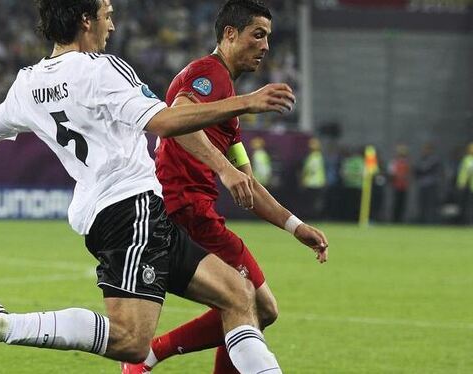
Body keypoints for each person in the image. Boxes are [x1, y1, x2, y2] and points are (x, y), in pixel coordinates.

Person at [0, 1, 302, 373]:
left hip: (124, 215)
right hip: (131, 209)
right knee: (130, 341)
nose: (111, 26)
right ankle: (0, 324)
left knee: (239, 295)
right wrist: (246, 103)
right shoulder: (102, 70)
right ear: (85, 20)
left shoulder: (27, 84)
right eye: (107, 16)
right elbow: (166, 121)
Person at [122, 1, 328, 373]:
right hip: (185, 209)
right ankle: (150, 354)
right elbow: (176, 116)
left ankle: (149, 356)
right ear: (230, 34)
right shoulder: (209, 73)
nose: (265, 46)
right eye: (258, 34)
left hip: (192, 211)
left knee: (244, 305)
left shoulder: (227, 107)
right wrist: (223, 170)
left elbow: (248, 184)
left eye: (269, 37)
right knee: (258, 307)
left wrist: (295, 227)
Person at [456, 142, 473, 225]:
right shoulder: (470, 159)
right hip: (470, 187)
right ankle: (469, 223)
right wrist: (464, 183)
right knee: (470, 207)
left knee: (469, 206)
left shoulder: (470, 159)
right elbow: (469, 172)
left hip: (471, 186)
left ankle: (469, 222)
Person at [414, 142, 441, 223]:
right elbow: (416, 170)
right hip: (423, 185)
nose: (424, 151)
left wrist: (419, 169)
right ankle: (422, 220)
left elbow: (423, 168)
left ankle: (430, 221)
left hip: (431, 185)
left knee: (430, 204)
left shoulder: (434, 159)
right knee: (422, 204)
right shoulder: (422, 159)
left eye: (426, 149)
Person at [301, 137, 326, 220]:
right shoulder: (318, 156)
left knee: (311, 202)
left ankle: (312, 218)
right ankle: (314, 217)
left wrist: (303, 179)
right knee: (314, 202)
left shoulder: (314, 157)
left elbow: (310, 169)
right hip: (317, 182)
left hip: (312, 183)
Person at [388, 144, 410, 223]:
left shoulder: (407, 162)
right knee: (396, 204)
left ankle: (400, 220)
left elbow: (408, 174)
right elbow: (391, 173)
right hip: (396, 185)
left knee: (402, 204)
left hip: (404, 186)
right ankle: (394, 220)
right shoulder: (394, 162)